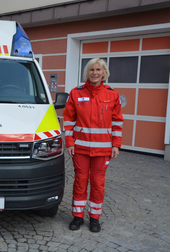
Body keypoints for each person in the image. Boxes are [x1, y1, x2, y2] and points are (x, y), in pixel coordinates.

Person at [63, 58, 124, 232]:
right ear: (87, 73)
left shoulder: (112, 95)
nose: (95, 73)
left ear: (104, 72)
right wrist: (69, 142)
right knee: (80, 181)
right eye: (91, 70)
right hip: (80, 148)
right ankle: (77, 216)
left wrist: (116, 145)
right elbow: (68, 120)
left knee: (97, 183)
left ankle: (95, 218)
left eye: (98, 69)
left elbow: (117, 122)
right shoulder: (76, 93)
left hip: (103, 149)